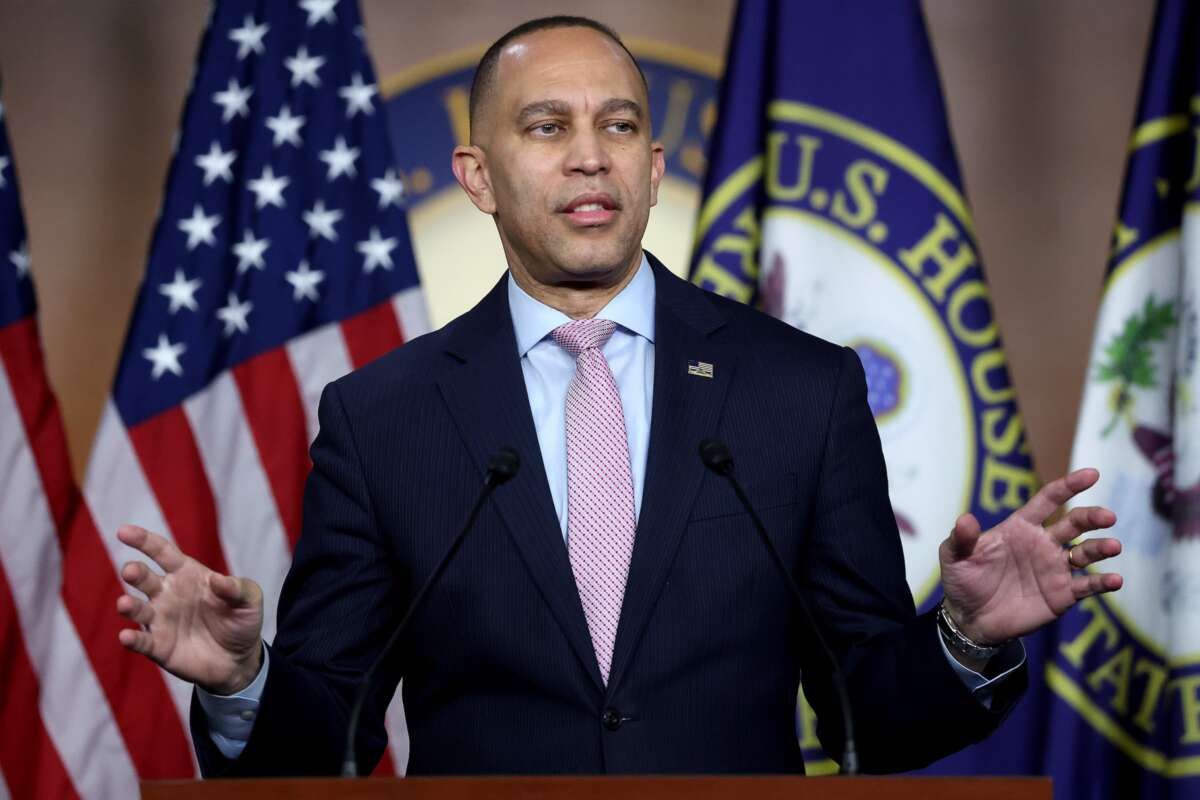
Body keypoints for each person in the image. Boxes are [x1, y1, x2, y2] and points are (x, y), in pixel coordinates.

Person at [114, 16, 1123, 776]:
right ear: (477, 175)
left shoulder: (799, 391)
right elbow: (324, 737)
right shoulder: (384, 416)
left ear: (651, 165)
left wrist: (964, 634)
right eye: (546, 125)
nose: (589, 152)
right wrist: (245, 679)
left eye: (619, 124)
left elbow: (872, 713)